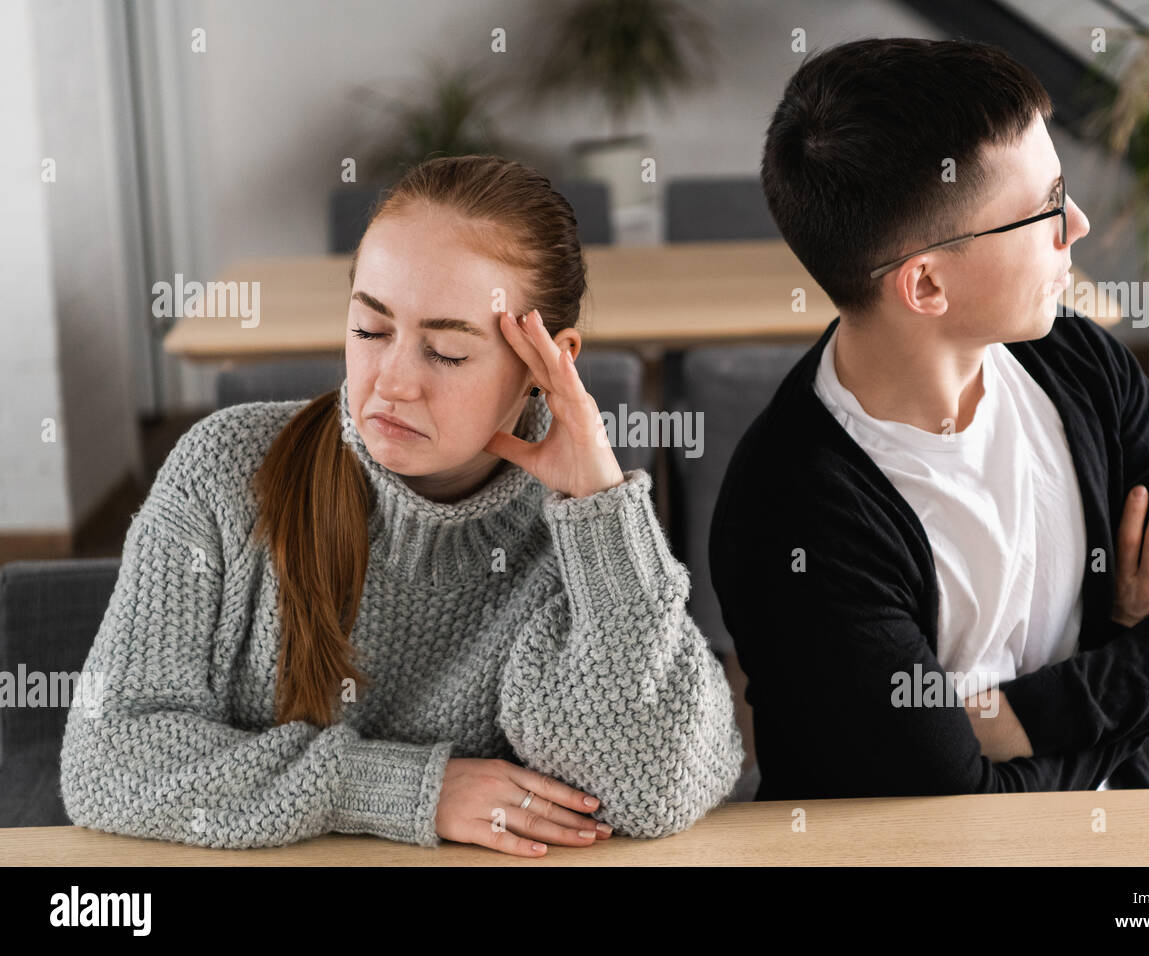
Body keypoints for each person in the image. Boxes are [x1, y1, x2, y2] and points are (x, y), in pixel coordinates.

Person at [60, 155, 744, 856]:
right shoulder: (221, 472)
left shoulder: (583, 534)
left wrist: (600, 512)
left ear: (548, 365)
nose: (392, 382)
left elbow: (655, 789)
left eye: (446, 351)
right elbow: (106, 760)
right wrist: (406, 787)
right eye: (370, 329)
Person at [709, 37, 1149, 800]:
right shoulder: (794, 514)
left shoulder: (1077, 363)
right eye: (1045, 206)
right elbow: (962, 808)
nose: (1076, 224)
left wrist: (1012, 717)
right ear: (925, 286)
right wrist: (1130, 646)